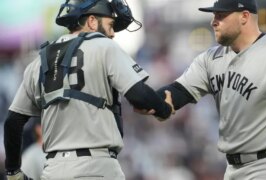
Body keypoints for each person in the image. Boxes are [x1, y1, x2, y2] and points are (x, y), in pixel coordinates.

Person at [137, 0, 266, 179]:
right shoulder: (210, 59)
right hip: (232, 168)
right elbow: (178, 92)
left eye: (221, 15)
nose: (213, 21)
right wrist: (150, 100)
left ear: (244, 16)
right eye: (214, 15)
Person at [3, 0, 174, 180]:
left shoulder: (39, 61)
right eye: (110, 25)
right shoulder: (104, 46)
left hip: (53, 170)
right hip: (97, 167)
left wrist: (13, 172)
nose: (112, 34)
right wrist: (164, 108)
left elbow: (13, 122)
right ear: (92, 21)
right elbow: (140, 95)